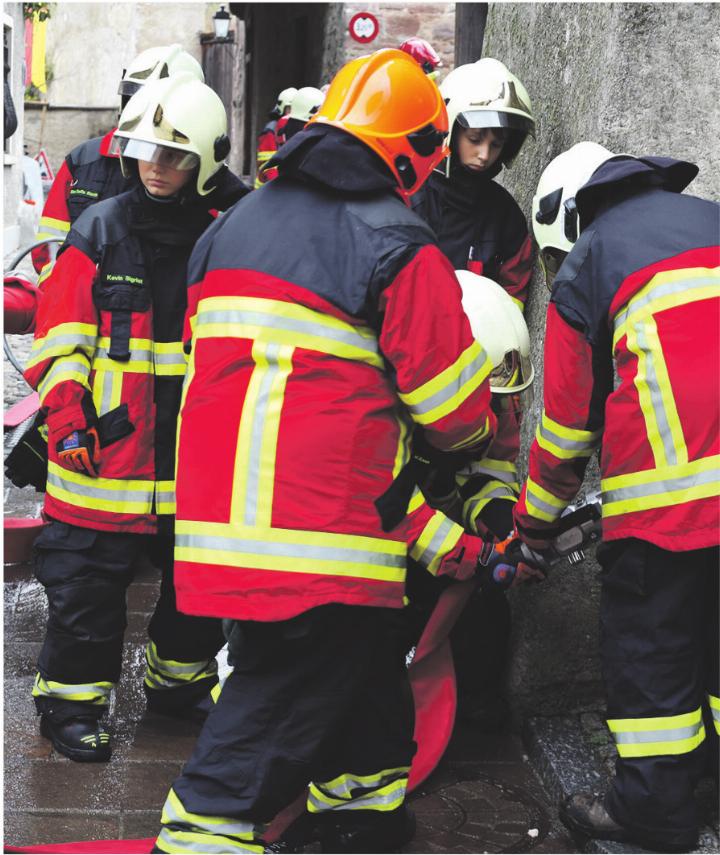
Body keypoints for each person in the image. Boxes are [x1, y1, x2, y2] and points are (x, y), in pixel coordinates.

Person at [151, 48, 535, 855]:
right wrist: (476, 439)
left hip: (222, 516)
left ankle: (363, 809)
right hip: (321, 532)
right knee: (274, 707)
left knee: (365, 682)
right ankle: (198, 834)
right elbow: (453, 415)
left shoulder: (238, 224)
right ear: (410, 148)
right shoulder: (398, 241)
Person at [23, 73, 248, 763]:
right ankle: (73, 702)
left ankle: (177, 689)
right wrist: (67, 418)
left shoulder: (229, 235)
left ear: (205, 162)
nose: (157, 166)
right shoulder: (100, 230)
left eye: (176, 155)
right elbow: (61, 337)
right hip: (104, 460)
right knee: (86, 596)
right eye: (148, 150)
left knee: (196, 591)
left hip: (193, 461)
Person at [514, 141, 720, 852]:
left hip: (667, 509)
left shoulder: (591, 260)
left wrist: (534, 529)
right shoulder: (712, 219)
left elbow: (567, 431)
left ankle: (653, 813)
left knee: (653, 654)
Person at [410, 57, 536, 727]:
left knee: (482, 576)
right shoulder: (409, 201)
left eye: (497, 141)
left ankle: (478, 701)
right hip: (407, 393)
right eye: (474, 136)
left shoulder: (507, 223)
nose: (485, 153)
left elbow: (507, 316)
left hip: (479, 398)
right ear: (451, 129)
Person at [31, 45, 205, 282]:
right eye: (138, 100)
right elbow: (47, 251)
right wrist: (71, 290)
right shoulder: (83, 162)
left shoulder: (201, 173)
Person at [255, 86, 297, 188]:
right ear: (282, 108)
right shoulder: (271, 130)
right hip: (269, 188)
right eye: (289, 108)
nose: (292, 112)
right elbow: (267, 164)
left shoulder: (295, 128)